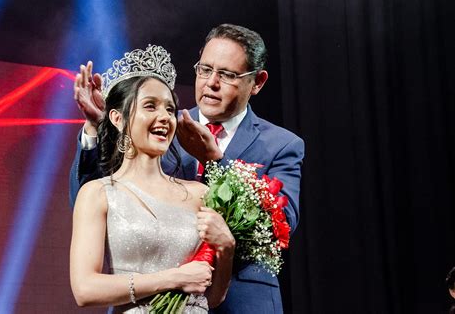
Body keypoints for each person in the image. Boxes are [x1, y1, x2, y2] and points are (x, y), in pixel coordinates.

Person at [70, 24, 305, 313]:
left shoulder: (281, 145)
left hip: (242, 303)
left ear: (257, 82)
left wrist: (216, 162)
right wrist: (99, 128)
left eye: (227, 75)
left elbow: (277, 227)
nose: (211, 83)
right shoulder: (161, 129)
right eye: (205, 70)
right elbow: (96, 200)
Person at [69, 45, 235, 313]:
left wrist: (227, 249)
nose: (164, 117)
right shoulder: (98, 193)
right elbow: (85, 289)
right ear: (117, 118)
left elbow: (212, 297)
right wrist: (172, 279)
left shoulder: (198, 194)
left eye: (170, 109)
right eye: (150, 106)